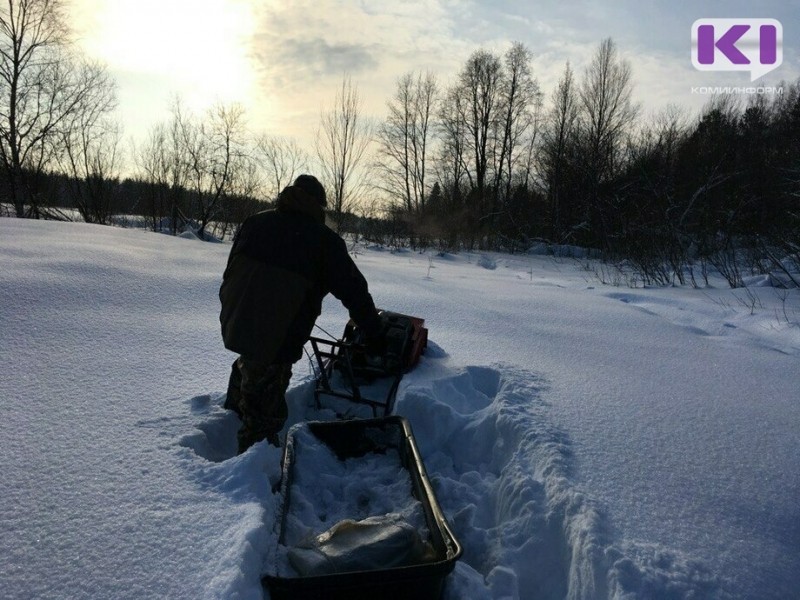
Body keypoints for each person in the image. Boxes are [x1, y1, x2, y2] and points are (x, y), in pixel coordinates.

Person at [219, 174, 382, 452]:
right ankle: (251, 476)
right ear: (319, 205)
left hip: (236, 319)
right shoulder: (324, 241)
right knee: (263, 418)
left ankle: (230, 417)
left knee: (252, 363)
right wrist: (375, 332)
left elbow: (230, 271)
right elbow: (354, 291)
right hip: (276, 336)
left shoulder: (255, 222)